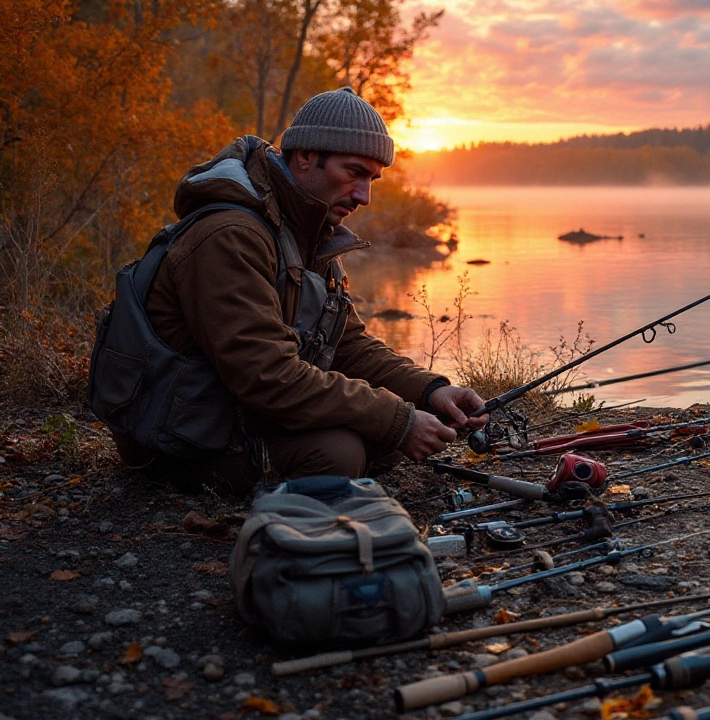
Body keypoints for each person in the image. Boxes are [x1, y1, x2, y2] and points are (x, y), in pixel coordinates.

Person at [108, 87, 486, 494]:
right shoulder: (230, 235)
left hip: (236, 414)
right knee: (340, 454)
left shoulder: (307, 230)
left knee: (383, 434)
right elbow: (266, 374)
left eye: (373, 179)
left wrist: (430, 392)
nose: (365, 196)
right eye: (354, 172)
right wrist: (398, 420)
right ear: (305, 156)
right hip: (178, 437)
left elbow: (347, 345)